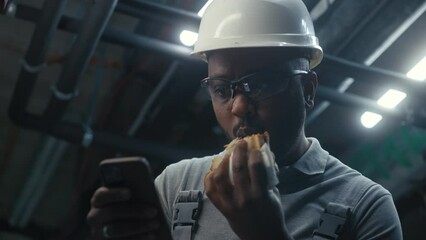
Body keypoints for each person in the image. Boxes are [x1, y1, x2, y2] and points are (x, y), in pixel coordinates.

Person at [87, 0, 403, 239]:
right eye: (222, 89)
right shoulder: (177, 185)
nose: (238, 107)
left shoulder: (364, 206)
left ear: (307, 89)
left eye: (261, 85)